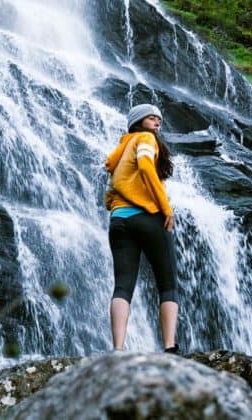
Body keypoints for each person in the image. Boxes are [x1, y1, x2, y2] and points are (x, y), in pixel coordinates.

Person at [105, 103, 179, 354]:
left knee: (123, 285)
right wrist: (165, 209)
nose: (158, 122)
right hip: (148, 217)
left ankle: (118, 348)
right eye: (151, 117)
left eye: (159, 118)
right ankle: (169, 347)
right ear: (139, 121)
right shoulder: (146, 139)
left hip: (119, 220)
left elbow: (109, 194)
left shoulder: (119, 152)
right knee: (167, 283)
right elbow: (146, 166)